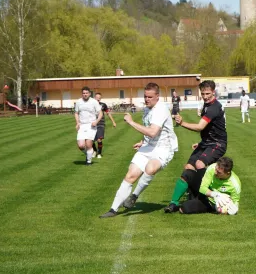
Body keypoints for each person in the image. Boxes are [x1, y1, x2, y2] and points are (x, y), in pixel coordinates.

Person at [99, 83, 178, 218]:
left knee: (150, 168)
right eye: (145, 96)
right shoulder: (147, 109)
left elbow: (153, 132)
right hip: (148, 146)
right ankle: (113, 209)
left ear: (157, 97)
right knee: (131, 175)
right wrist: (143, 142)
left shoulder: (161, 109)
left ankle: (134, 196)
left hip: (164, 148)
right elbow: (150, 130)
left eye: (150, 97)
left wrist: (130, 122)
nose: (147, 99)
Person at [164, 80, 228, 213]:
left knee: (199, 164)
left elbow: (200, 127)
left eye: (208, 93)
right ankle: (174, 203)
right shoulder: (206, 105)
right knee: (188, 168)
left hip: (218, 144)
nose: (205, 96)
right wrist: (201, 143)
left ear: (213, 92)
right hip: (207, 143)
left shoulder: (213, 107)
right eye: (203, 93)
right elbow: (211, 128)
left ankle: (204, 197)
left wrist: (182, 123)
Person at [75, 87, 102, 165]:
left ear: (90, 93)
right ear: (82, 94)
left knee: (88, 144)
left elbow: (100, 113)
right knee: (81, 145)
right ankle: (89, 153)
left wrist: (96, 122)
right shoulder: (78, 102)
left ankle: (88, 161)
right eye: (83, 93)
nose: (85, 94)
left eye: (86, 93)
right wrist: (77, 123)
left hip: (91, 125)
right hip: (82, 125)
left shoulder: (94, 102)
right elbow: (76, 113)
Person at [92, 92, 116, 159]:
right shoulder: (91, 105)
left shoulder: (103, 105)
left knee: (99, 139)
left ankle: (99, 153)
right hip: (93, 124)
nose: (98, 99)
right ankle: (94, 151)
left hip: (101, 124)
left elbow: (108, 113)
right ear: (94, 98)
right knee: (91, 140)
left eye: (99, 98)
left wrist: (113, 122)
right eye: (97, 98)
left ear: (100, 98)